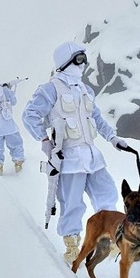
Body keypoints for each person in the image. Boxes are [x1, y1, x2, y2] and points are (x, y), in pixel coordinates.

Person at [21, 41, 129, 264]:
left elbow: (96, 118)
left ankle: (109, 238)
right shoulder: (50, 89)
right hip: (68, 157)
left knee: (107, 193)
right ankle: (72, 245)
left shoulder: (85, 89)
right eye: (79, 59)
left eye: (84, 59)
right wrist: (44, 140)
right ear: (66, 62)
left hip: (92, 155)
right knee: (71, 202)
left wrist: (112, 137)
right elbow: (29, 115)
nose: (83, 64)